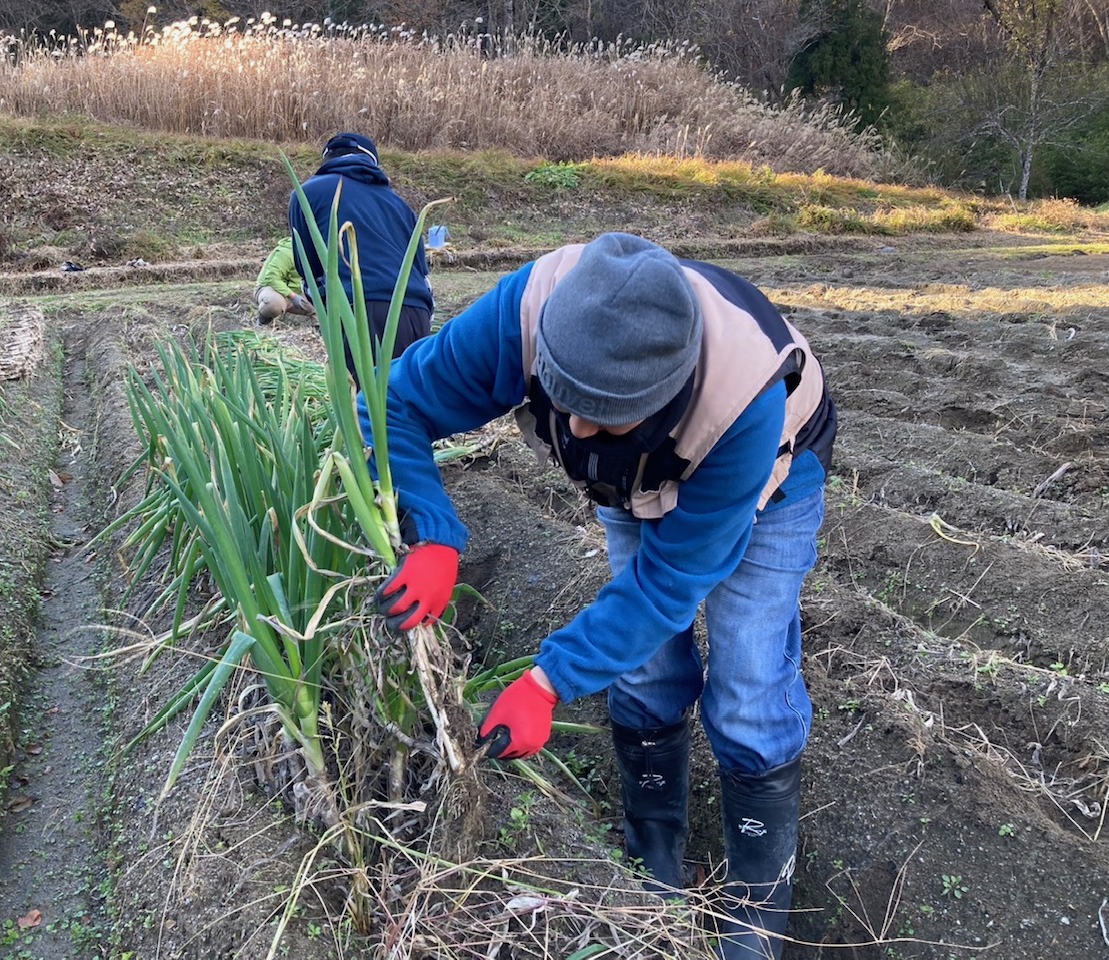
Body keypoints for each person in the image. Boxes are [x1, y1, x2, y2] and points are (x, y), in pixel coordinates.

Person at [366, 232, 836, 960]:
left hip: (771, 483)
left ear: (665, 397)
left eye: (603, 413)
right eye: (566, 399)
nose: (576, 428)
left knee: (748, 680)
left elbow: (667, 586)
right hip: (632, 477)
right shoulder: (524, 318)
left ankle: (756, 903)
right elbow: (393, 403)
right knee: (645, 671)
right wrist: (434, 533)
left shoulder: (741, 405)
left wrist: (548, 682)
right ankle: (657, 858)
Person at [289, 132, 434, 376]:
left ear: (327, 160)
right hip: (417, 311)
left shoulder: (307, 193)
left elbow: (309, 270)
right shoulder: (399, 204)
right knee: (412, 403)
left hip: (361, 310)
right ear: (372, 163)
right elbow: (423, 273)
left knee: (366, 406)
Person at [255, 236, 315, 324]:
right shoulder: (287, 251)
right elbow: (271, 278)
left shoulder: (315, 251)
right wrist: (292, 296)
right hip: (272, 288)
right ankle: (263, 320)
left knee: (324, 306)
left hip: (299, 291)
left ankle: (318, 329)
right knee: (274, 305)